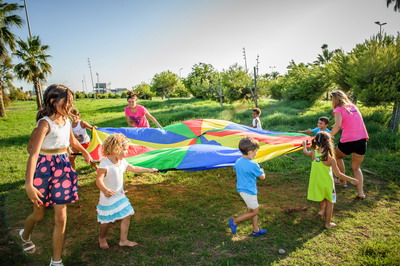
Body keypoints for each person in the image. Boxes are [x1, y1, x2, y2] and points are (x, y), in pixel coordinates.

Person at [20, 84, 92, 266]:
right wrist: (29, 184)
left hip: (63, 168)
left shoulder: (67, 121)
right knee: (38, 215)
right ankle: (25, 235)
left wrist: (84, 152)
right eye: (66, 102)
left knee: (61, 217)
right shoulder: (44, 123)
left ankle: (56, 261)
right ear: (53, 101)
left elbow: (72, 140)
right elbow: (34, 154)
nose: (69, 106)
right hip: (44, 170)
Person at [96, 133, 158, 249]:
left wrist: (149, 170)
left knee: (127, 214)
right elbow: (98, 180)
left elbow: (133, 168)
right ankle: (102, 237)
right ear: (115, 149)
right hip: (108, 197)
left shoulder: (122, 161)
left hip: (119, 195)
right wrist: (105, 190)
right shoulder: (105, 164)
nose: (126, 152)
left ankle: (123, 240)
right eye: (124, 150)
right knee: (106, 221)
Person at [302, 132, 359, 229]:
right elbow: (338, 174)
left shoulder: (313, 153)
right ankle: (328, 223)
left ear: (316, 141)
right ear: (328, 142)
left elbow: (305, 152)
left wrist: (304, 146)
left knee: (322, 197)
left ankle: (321, 211)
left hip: (316, 182)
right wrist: (351, 179)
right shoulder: (330, 158)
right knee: (330, 202)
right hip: (328, 184)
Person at [330, 90, 369, 199]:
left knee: (336, 157)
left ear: (334, 99)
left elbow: (337, 125)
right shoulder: (354, 107)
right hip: (362, 140)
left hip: (348, 141)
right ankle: (361, 192)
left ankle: (342, 181)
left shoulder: (338, 109)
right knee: (356, 168)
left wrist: (328, 136)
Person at [228, 137, 267, 236]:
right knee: (255, 211)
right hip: (249, 191)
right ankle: (234, 221)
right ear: (250, 152)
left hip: (242, 190)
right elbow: (262, 177)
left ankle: (256, 230)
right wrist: (262, 171)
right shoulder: (253, 165)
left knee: (252, 210)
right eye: (256, 151)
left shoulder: (238, 161)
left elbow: (234, 170)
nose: (256, 153)